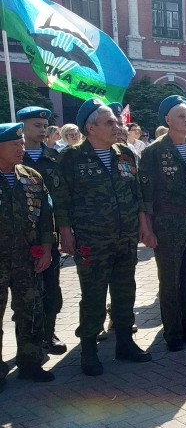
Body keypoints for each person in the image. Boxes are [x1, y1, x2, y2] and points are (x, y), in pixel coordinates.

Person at [53, 100, 152, 376]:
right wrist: (65, 233)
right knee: (93, 295)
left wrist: (144, 225)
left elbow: (137, 194)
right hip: (91, 240)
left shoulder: (126, 154)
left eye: (117, 122)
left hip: (125, 237)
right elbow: (61, 201)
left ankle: (125, 343)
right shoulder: (71, 158)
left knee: (125, 291)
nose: (117, 127)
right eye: (110, 122)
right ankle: (89, 350)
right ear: (91, 127)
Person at [138, 95, 186, 352]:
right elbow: (145, 197)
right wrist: (147, 230)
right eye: (181, 116)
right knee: (170, 280)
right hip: (168, 222)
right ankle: (173, 332)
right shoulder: (153, 152)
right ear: (168, 120)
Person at [0, 122, 55, 385]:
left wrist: (46, 248)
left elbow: (46, 217)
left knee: (31, 311)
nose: (21, 148)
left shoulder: (32, 177)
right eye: (14, 144)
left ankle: (30, 362)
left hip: (27, 259)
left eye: (22, 144)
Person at [16, 106, 66, 355]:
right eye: (36, 125)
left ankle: (49, 334)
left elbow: (64, 198)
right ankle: (26, 343)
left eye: (44, 125)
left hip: (49, 235)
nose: (43, 130)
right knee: (23, 295)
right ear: (22, 127)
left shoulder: (56, 158)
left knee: (51, 289)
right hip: (17, 239)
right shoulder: (12, 158)